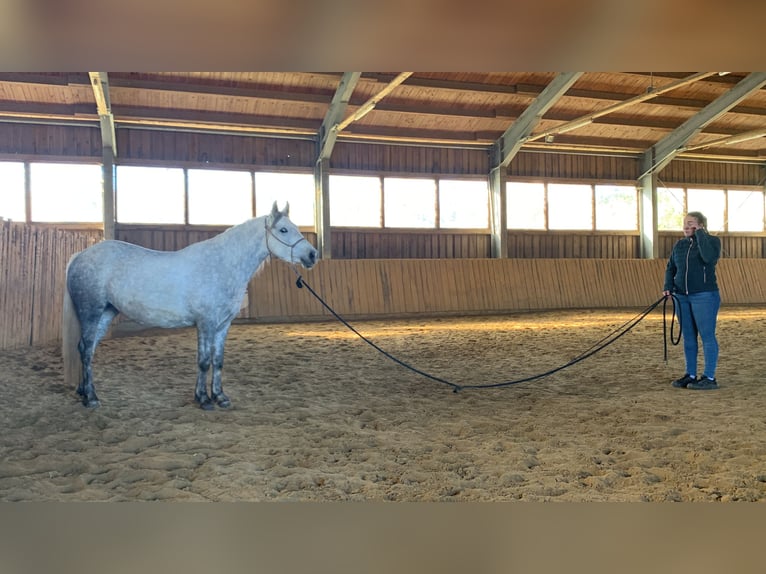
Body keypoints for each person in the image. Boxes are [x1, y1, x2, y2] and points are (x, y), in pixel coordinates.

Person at [662, 211, 722, 390]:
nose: (686, 226)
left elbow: (708, 257)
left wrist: (701, 234)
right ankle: (691, 374)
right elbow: (670, 267)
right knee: (688, 337)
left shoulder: (712, 242)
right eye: (685, 224)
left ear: (701, 225)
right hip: (681, 296)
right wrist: (668, 285)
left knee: (707, 336)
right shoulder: (679, 245)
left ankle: (710, 377)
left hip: (704, 295)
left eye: (691, 223)